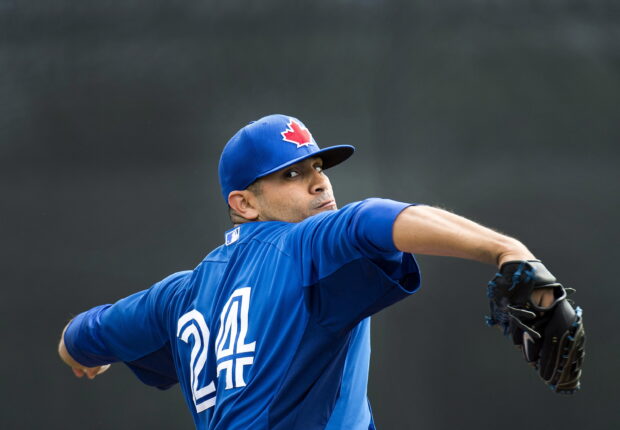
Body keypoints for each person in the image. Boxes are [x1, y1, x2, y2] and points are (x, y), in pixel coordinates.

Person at [58, 114, 561, 429]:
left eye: (319, 167)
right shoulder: (305, 246)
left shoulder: (178, 296)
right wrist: (505, 249)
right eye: (292, 174)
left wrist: (86, 352)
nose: (319, 182)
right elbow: (371, 219)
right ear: (245, 203)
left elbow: (81, 336)